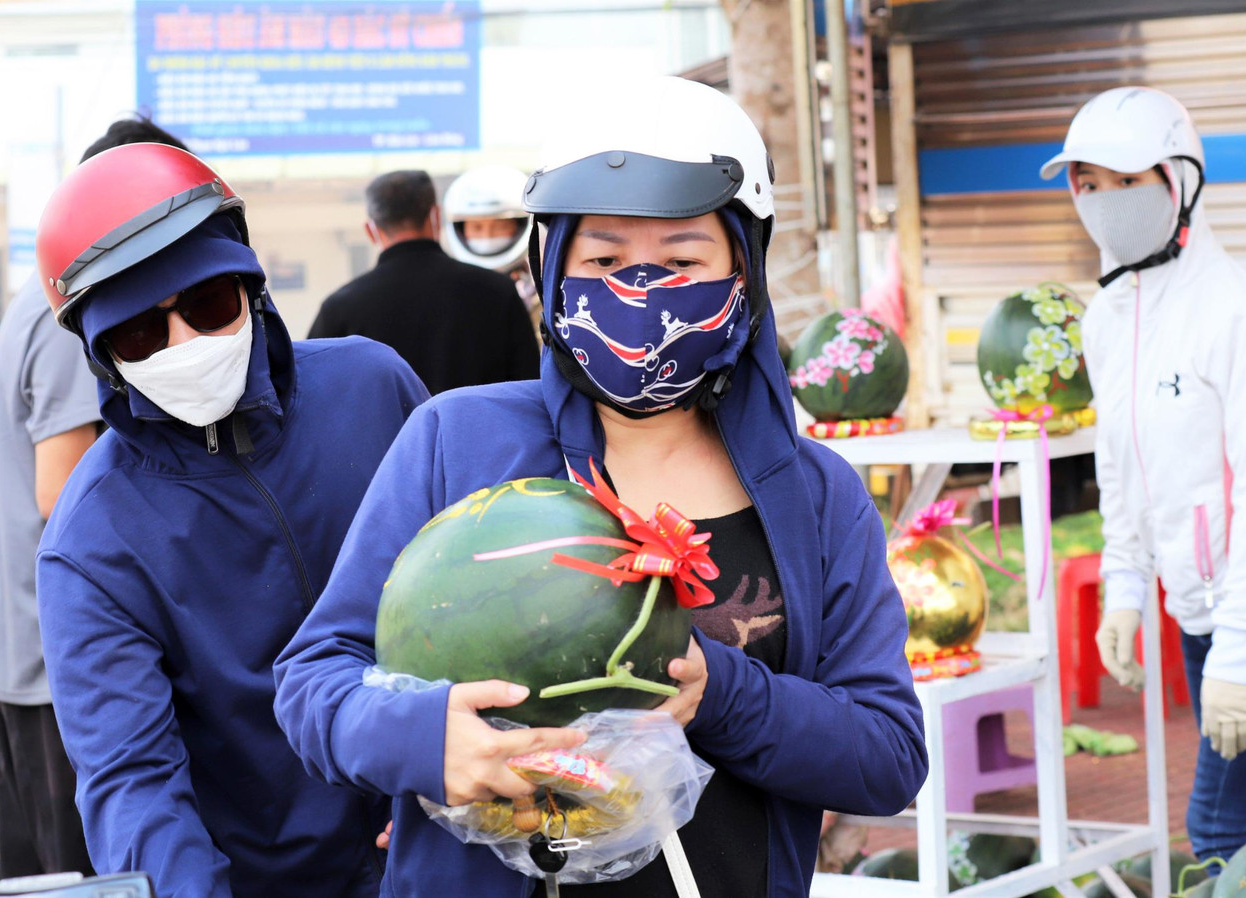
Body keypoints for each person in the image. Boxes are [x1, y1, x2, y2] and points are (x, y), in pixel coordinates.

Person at [274, 76, 928, 897]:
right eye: (605, 259)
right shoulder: (458, 440)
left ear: (742, 272)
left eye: (682, 260)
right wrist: (423, 736)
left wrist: (717, 693)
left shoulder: (816, 496)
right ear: (551, 269)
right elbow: (314, 682)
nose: (638, 291)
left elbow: (889, 759)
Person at [32, 141, 428, 897]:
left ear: (251, 286)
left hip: (444, 843)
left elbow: (472, 584)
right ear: (103, 356)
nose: (184, 344)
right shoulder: (91, 542)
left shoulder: (374, 388)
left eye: (208, 306)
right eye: (143, 333)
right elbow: (132, 780)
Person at [1041, 86, 1246, 863]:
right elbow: (1122, 467)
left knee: (1216, 828)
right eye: (1089, 184)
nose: (1104, 203)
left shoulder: (1236, 312)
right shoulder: (1108, 317)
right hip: (1201, 609)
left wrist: (1242, 652)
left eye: (1127, 182)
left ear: (1180, 182)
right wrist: (1125, 591)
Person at [0, 115, 189, 881]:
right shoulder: (78, 320)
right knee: (88, 877)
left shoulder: (40, 296)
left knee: (38, 873)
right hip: (62, 663)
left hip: (17, 649)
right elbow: (62, 493)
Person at [307, 169, 539, 394]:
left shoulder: (339, 308)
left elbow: (311, 392)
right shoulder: (498, 293)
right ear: (436, 217)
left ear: (371, 230)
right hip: (478, 433)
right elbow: (529, 390)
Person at [440, 164, 539, 314]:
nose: (487, 236)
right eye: (477, 227)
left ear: (520, 226)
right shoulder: (447, 290)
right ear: (460, 230)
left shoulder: (541, 291)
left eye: (500, 226)